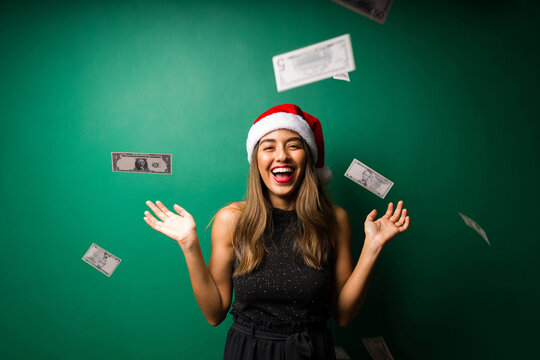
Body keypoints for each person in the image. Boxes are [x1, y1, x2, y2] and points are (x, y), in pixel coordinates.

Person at [143, 104, 410, 359]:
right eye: (268, 147)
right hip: (248, 351)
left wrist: (371, 248)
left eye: (293, 146)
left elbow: (343, 314)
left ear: (308, 157)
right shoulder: (231, 220)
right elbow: (214, 314)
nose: (281, 155)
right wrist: (190, 246)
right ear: (256, 160)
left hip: (312, 350)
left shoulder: (335, 220)